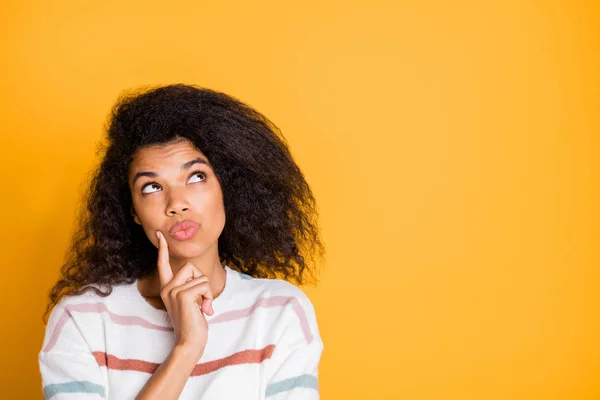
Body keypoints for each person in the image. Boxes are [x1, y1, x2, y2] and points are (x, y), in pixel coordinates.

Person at [38, 84, 325, 399]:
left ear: (227, 187)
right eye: (151, 187)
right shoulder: (83, 319)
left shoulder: (279, 311)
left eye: (197, 177)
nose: (177, 203)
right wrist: (187, 348)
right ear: (133, 211)